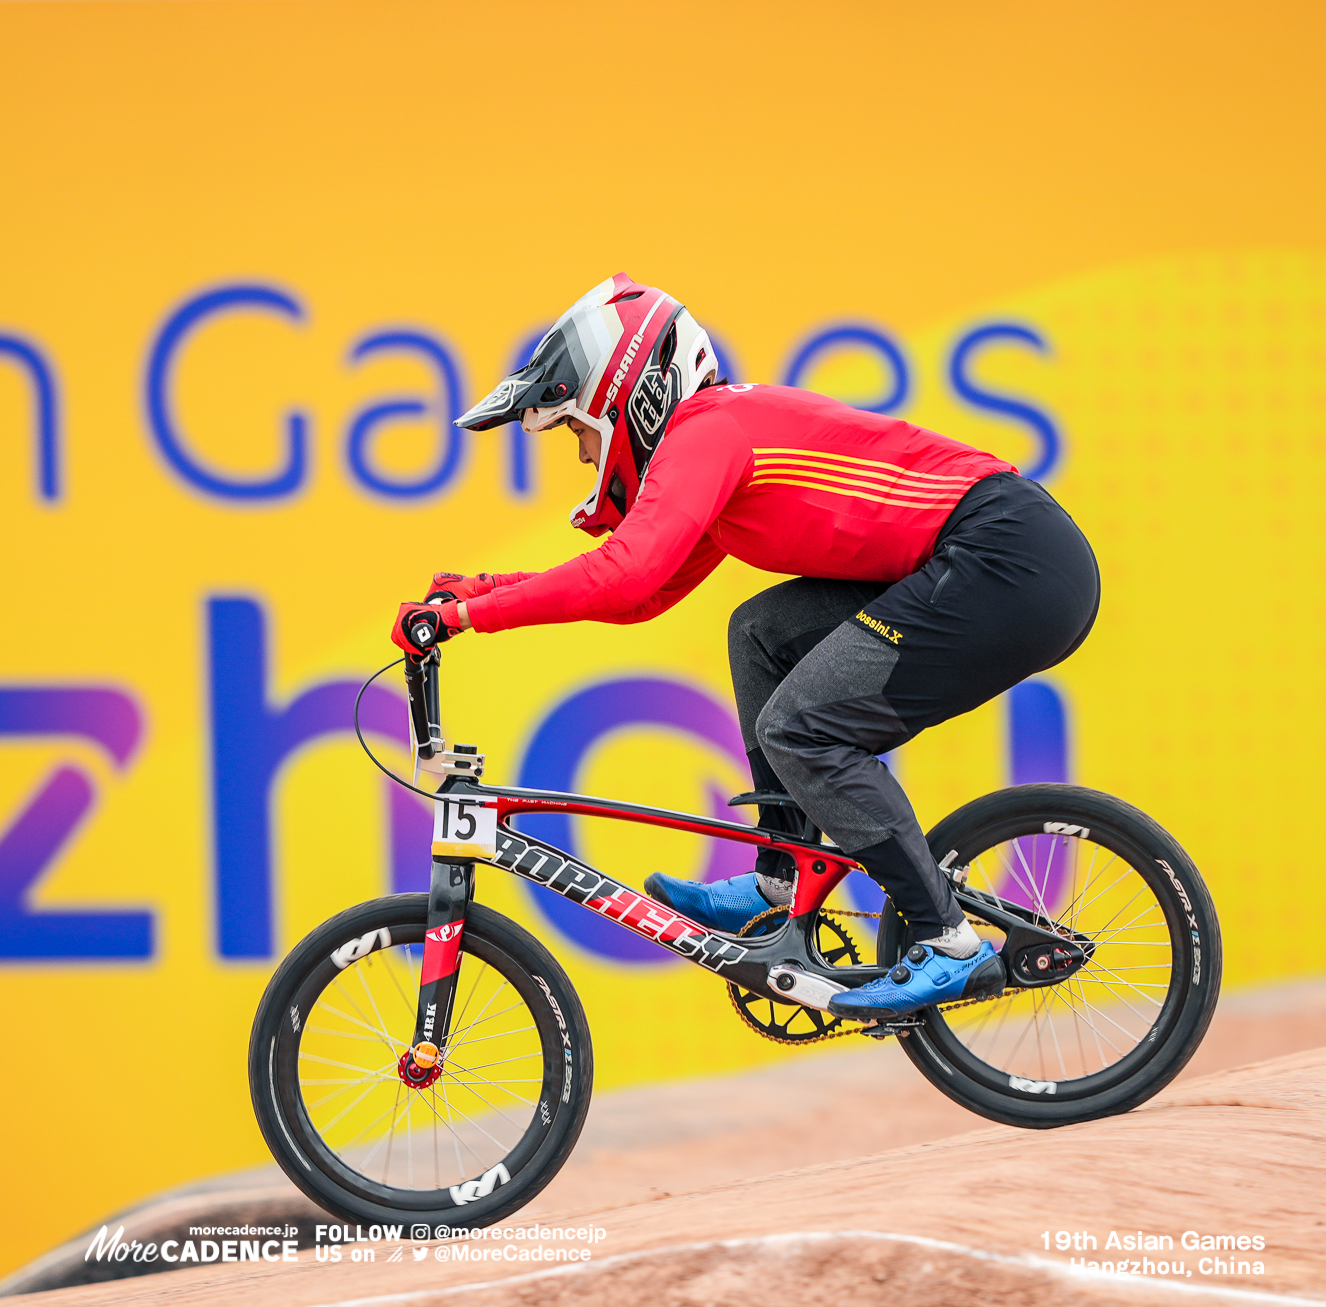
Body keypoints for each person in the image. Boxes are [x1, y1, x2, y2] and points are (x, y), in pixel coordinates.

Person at [390, 274, 1099, 1019]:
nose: (579, 456)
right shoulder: (712, 448)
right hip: (985, 558)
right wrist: (476, 590)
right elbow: (641, 593)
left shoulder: (709, 432)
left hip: (1006, 560)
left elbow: (623, 570)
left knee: (803, 726)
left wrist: (471, 617)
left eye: (576, 431)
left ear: (627, 396)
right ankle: (782, 877)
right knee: (760, 634)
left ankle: (949, 940)